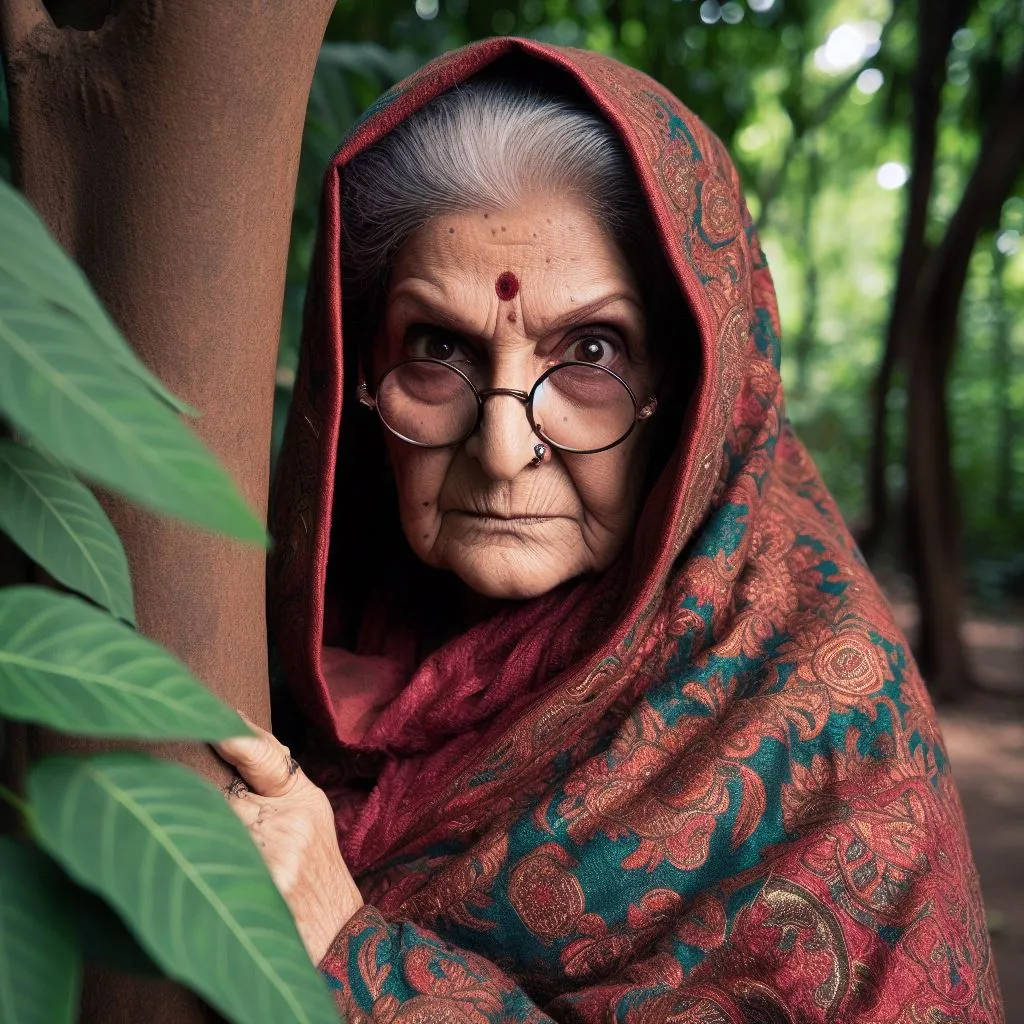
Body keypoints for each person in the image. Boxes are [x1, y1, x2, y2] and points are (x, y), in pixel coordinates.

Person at [215, 38, 1004, 1022]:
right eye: (436, 347)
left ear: (688, 392)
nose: (502, 448)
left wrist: (350, 950)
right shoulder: (288, 643)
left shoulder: (825, 727)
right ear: (360, 375)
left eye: (590, 351)